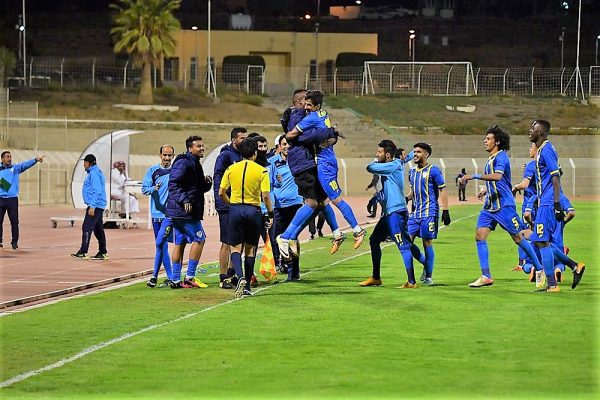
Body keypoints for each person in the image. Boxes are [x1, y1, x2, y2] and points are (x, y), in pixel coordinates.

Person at [459, 125, 543, 288]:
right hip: (490, 206)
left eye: (488, 138)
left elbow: (498, 177)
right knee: (479, 236)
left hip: (504, 206)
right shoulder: (490, 159)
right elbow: (497, 182)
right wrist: (486, 191)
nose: (485, 141)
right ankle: (486, 276)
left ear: (497, 141)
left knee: (518, 238)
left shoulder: (502, 157)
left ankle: (539, 268)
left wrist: (473, 176)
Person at [285, 90, 365, 254]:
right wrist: (332, 135)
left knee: (335, 200)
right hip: (323, 162)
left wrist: (291, 135)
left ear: (317, 106)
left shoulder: (311, 118)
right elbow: (329, 132)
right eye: (305, 104)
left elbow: (290, 134)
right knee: (323, 200)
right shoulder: (323, 114)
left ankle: (358, 230)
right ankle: (337, 234)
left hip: (325, 164)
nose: (306, 108)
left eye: (309, 105)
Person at [277, 89, 339, 260]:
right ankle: (285, 237)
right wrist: (328, 132)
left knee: (322, 202)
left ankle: (336, 234)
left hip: (310, 162)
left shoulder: (306, 116)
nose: (307, 104)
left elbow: (316, 134)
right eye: (305, 100)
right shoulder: (296, 116)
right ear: (298, 101)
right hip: (302, 164)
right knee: (312, 203)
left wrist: (330, 134)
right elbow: (301, 138)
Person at [527, 119, 585, 291]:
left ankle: (552, 284)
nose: (530, 130)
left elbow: (555, 176)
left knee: (541, 242)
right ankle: (575, 266)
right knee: (540, 241)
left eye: (533, 128)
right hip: (544, 201)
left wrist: (557, 203)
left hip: (548, 203)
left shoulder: (546, 150)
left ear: (541, 132)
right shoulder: (543, 150)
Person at [219, 138, 274, 298]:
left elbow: (221, 192)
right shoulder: (261, 170)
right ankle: (248, 285)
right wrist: (270, 213)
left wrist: (231, 205)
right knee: (250, 249)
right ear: (255, 153)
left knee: (235, 248)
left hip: (235, 209)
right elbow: (265, 196)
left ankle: (240, 276)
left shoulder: (230, 169)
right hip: (253, 211)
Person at [358, 140, 415, 288]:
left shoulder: (392, 165)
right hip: (389, 213)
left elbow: (370, 167)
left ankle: (412, 282)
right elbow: (404, 159)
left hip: (396, 212)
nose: (377, 154)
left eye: (379, 152)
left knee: (403, 245)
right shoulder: (394, 163)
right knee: (374, 240)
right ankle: (376, 277)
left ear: (387, 154)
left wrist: (376, 161)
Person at [166, 136, 213, 289]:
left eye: (202, 145)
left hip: (179, 211)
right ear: (189, 148)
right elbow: (173, 184)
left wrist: (206, 183)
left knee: (180, 243)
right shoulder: (184, 162)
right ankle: (190, 277)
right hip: (184, 211)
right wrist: (184, 200)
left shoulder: (193, 163)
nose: (202, 148)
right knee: (200, 239)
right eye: (198, 146)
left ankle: (175, 280)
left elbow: (195, 187)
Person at [405, 143, 451, 285]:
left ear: (426, 154)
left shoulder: (434, 170)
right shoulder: (412, 172)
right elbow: (414, 190)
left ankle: (429, 276)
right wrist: (407, 198)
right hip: (415, 213)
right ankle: (426, 263)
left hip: (430, 212)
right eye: (414, 152)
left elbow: (442, 189)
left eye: (418, 152)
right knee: (406, 243)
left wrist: (446, 210)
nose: (415, 154)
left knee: (426, 242)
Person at [213, 127, 248, 289]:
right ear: (234, 139)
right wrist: (221, 202)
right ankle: (223, 277)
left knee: (238, 240)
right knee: (227, 241)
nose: (245, 140)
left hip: (240, 204)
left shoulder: (244, 155)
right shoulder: (225, 156)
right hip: (227, 205)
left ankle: (232, 273)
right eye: (242, 138)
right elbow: (218, 179)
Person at [268, 136, 304, 280]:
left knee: (293, 238)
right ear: (279, 146)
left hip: (296, 204)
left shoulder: (299, 161)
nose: (287, 146)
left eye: (289, 143)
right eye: (284, 144)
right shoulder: (272, 162)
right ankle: (280, 264)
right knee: (278, 238)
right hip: (278, 206)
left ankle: (294, 271)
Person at [142, 144, 175, 288]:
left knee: (160, 244)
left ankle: (155, 276)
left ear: (173, 156)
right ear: (160, 155)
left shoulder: (176, 171)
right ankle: (171, 277)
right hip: (156, 214)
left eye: (169, 155)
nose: (167, 158)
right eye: (165, 155)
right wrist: (153, 189)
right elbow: (144, 189)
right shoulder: (152, 171)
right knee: (162, 245)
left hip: (169, 215)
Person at [0, 151, 45, 250]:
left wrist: (35, 160)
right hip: (0, 199)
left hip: (12, 199)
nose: (10, 158)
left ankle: (14, 242)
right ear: (2, 159)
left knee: (14, 222)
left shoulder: (15, 168)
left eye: (10, 156)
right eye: (7, 157)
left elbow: (25, 165)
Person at [71, 154, 108, 260]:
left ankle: (83, 251)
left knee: (87, 227)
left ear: (88, 163)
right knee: (98, 229)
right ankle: (103, 252)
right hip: (98, 204)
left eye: (85, 163)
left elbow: (97, 190)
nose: (84, 165)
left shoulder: (94, 174)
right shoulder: (96, 172)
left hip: (95, 205)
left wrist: (92, 206)